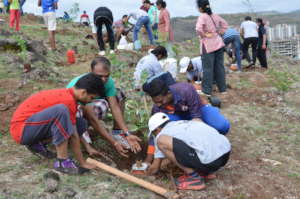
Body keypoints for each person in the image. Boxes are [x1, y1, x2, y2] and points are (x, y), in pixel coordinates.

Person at [10, 73, 105, 175]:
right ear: (83, 92)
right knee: (61, 110)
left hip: (30, 127)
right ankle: (62, 162)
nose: (90, 101)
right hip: (21, 130)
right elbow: (73, 135)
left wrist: (87, 148)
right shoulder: (67, 101)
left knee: (80, 124)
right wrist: (82, 163)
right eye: (91, 98)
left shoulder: (69, 97)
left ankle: (36, 144)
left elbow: (75, 130)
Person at [67, 57, 141, 155]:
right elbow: (92, 118)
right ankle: (83, 136)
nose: (104, 79)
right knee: (98, 107)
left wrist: (127, 133)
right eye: (100, 76)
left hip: (91, 103)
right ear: (91, 71)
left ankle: (117, 132)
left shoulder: (108, 81)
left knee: (119, 94)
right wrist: (114, 143)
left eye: (107, 76)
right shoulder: (85, 86)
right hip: (73, 110)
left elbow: (114, 106)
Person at [146, 113, 231, 190]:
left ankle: (194, 179)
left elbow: (155, 167)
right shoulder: (183, 123)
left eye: (154, 133)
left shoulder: (161, 135)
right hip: (225, 154)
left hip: (211, 162)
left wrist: (146, 172)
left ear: (157, 129)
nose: (155, 135)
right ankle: (207, 173)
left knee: (161, 141)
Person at [143, 78, 230, 134]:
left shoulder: (185, 90)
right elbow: (156, 129)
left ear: (168, 93)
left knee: (221, 126)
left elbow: (196, 118)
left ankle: (212, 111)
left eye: (161, 101)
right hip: (179, 115)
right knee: (165, 127)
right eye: (156, 102)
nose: (158, 105)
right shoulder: (157, 108)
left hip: (199, 110)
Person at [195, 0, 228, 96]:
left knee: (208, 69)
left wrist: (204, 35)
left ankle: (206, 91)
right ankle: (223, 89)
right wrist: (220, 32)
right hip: (219, 43)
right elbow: (225, 25)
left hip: (208, 45)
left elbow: (198, 29)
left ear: (200, 8)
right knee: (219, 67)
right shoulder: (215, 16)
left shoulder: (202, 16)